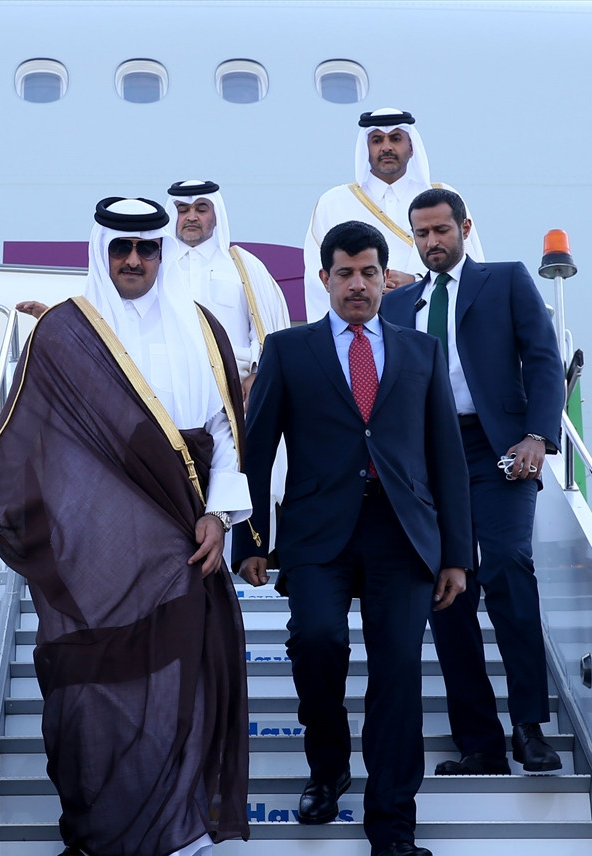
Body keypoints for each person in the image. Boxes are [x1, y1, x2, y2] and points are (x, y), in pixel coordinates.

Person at [0, 197, 253, 856]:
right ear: (101, 251)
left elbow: (226, 433)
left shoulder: (203, 328)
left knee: (176, 696)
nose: (134, 261)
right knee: (82, 698)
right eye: (122, 249)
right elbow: (19, 431)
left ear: (163, 252)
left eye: (147, 248)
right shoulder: (65, 331)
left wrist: (220, 513)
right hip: (91, 548)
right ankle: (88, 823)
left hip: (181, 540)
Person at [234, 220, 472, 856]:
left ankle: (392, 830)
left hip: (403, 535)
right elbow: (257, 451)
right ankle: (328, 764)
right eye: (345, 274)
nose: (358, 285)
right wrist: (251, 539)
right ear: (324, 279)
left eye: (369, 273)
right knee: (317, 642)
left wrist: (456, 554)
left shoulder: (421, 352)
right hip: (317, 533)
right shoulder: (289, 350)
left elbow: (446, 458)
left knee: (397, 677)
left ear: (384, 278)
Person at [380, 188, 565, 776]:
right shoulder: (396, 304)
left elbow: (543, 360)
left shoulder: (504, 280)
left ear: (464, 228)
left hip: (497, 447)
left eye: (442, 230)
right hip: (428, 459)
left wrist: (538, 435)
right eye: (422, 233)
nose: (432, 242)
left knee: (508, 563)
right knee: (447, 591)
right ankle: (480, 743)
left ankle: (529, 727)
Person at [302, 107, 484, 322]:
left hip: (432, 320)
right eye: (377, 140)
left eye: (396, 139)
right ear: (366, 148)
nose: (386, 147)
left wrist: (417, 282)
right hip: (359, 326)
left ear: (411, 147)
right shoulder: (334, 202)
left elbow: (470, 268)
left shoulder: (443, 197)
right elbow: (318, 279)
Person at [166, 179, 290, 405]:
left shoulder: (242, 265)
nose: (191, 217)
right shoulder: (159, 267)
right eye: (183, 210)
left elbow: (269, 330)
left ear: (216, 216)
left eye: (201, 209)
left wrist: (258, 375)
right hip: (170, 387)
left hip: (235, 389)